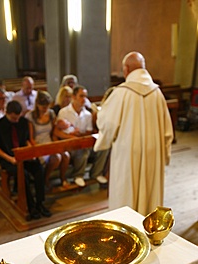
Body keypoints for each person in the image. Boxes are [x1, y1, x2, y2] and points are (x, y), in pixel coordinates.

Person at [94, 51, 174, 215]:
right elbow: (167, 131)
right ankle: (148, 228)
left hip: (128, 153)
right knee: (149, 195)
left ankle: (126, 231)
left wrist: (99, 114)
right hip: (153, 152)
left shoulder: (122, 92)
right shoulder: (157, 93)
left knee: (126, 195)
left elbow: (108, 123)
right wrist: (164, 154)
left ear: (126, 69)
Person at [0, 100, 51, 219]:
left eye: (18, 117)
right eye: (13, 118)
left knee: (39, 169)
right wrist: (11, 159)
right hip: (8, 158)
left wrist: (30, 152)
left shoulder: (23, 122)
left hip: (23, 156)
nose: (16, 121)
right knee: (23, 174)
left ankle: (40, 203)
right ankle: (30, 206)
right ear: (7, 112)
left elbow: (26, 140)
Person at [54, 85, 108, 187]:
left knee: (104, 147)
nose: (84, 99)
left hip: (82, 143)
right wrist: (71, 136)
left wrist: (80, 134)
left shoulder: (87, 114)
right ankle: (78, 175)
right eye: (81, 96)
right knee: (83, 151)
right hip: (69, 146)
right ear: (74, 97)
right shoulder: (64, 112)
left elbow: (89, 131)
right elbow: (57, 132)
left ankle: (96, 173)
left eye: (85, 96)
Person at [25, 90, 70, 189]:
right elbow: (30, 137)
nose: (45, 109)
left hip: (50, 141)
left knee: (66, 155)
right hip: (38, 144)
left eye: (47, 106)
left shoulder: (51, 113)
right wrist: (39, 148)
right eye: (43, 106)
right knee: (56, 158)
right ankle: (45, 178)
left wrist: (57, 144)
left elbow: (54, 132)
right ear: (37, 104)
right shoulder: (30, 116)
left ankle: (63, 178)